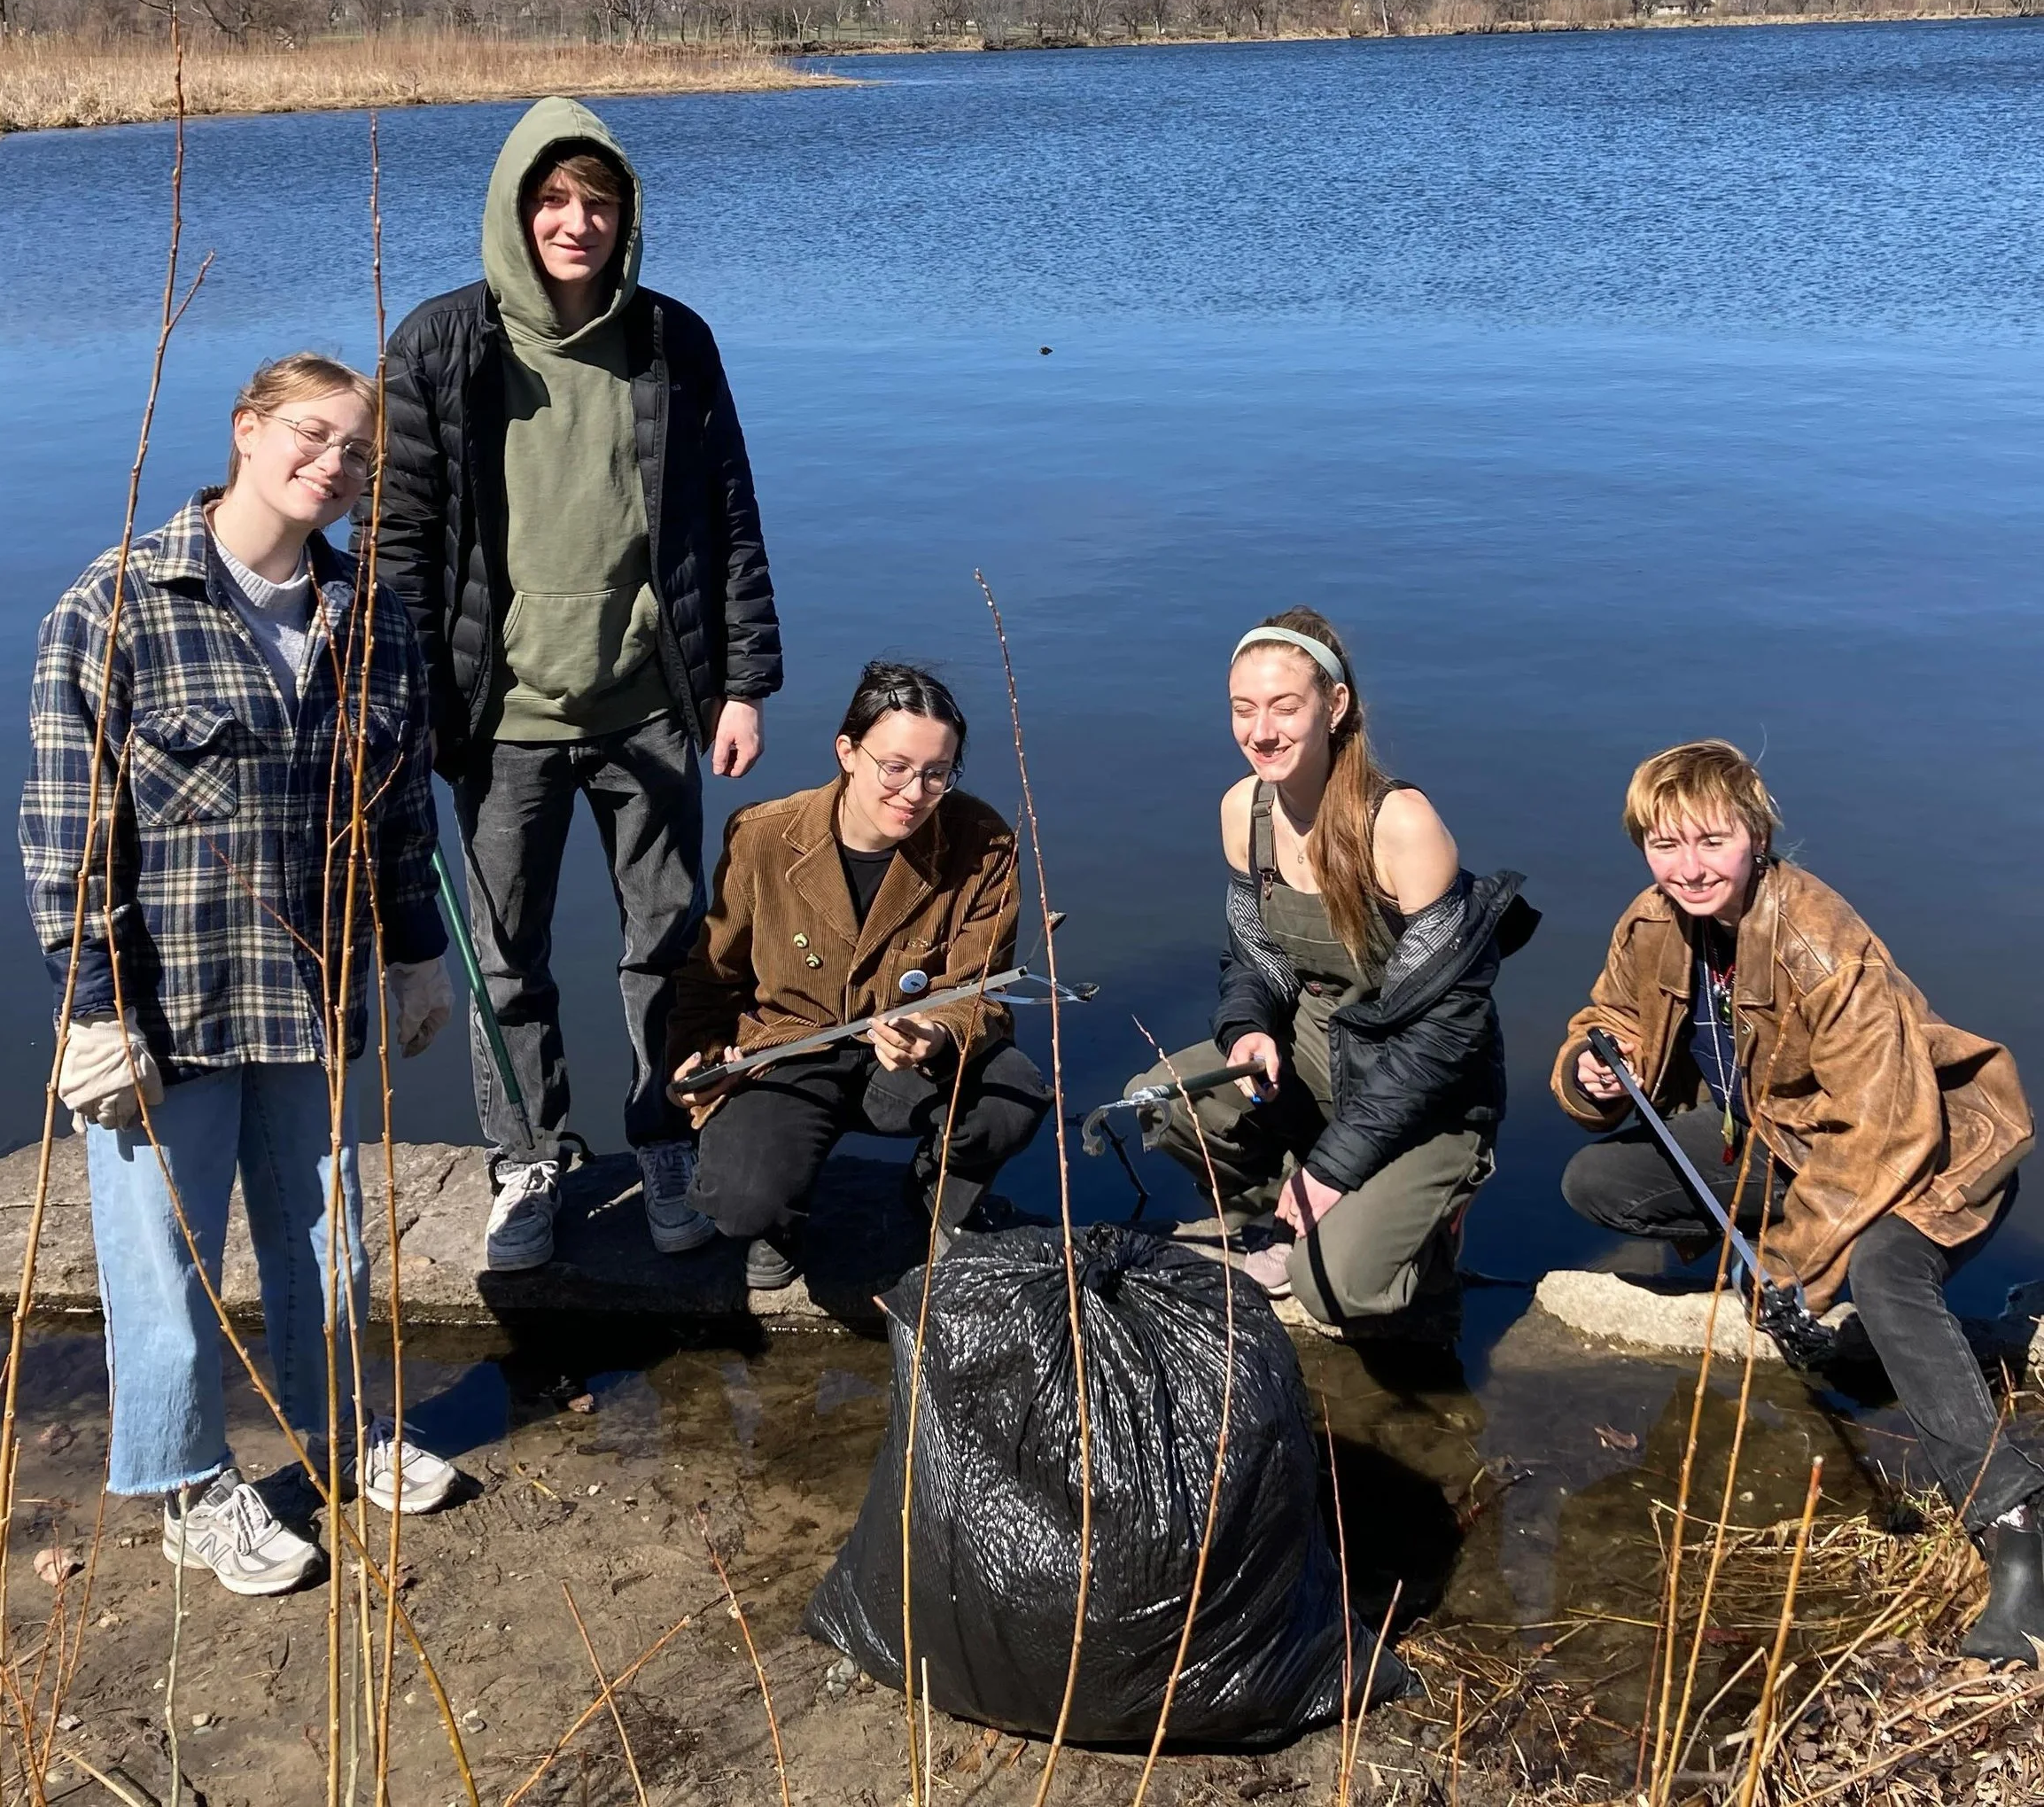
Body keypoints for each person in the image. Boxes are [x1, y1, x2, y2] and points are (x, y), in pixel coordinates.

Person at [19, 354, 462, 1598]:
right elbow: (70, 835)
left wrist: (418, 957)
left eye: (358, 454)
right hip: (171, 1004)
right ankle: (191, 1485)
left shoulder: (372, 612)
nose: (333, 466)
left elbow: (399, 812)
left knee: (332, 1235)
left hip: (313, 991)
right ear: (246, 432)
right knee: (164, 1258)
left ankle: (348, 1427)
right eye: (312, 437)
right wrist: (93, 1007)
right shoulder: (115, 609)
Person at [373, 97, 781, 1273]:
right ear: (516, 209)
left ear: (626, 217)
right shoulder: (440, 345)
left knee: (665, 949)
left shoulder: (672, 341)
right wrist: (399, 703)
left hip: (650, 709)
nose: (576, 221)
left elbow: (729, 520)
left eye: (598, 202)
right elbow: (400, 542)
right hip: (498, 720)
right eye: (553, 199)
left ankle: (664, 1143)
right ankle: (529, 1164)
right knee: (510, 960)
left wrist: (742, 683)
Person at [1555, 739, 2043, 1663]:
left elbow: (1880, 1129)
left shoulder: (1818, 937)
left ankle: (2016, 1526)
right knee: (1599, 1179)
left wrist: (1790, 1261)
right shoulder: (1655, 919)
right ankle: (1820, 1321)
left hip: (1929, 1145)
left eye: (1710, 840)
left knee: (1884, 1271)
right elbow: (1612, 1015)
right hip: (1783, 1134)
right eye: (1664, 844)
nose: (1688, 866)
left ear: (1756, 833)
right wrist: (1594, 1068)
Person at [1125, 610, 1531, 1329]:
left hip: (1428, 1089)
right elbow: (1252, 957)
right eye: (1243, 710)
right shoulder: (1241, 811)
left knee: (1332, 1289)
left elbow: (1441, 1040)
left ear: (1335, 706)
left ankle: (1426, 1240)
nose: (1262, 731)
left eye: (1285, 706)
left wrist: (1332, 1169)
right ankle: (1273, 1209)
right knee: (1158, 1097)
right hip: (1317, 1053)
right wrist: (1248, 1028)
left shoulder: (1401, 826)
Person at [667, 663, 1050, 1290]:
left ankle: (936, 1197)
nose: (914, 792)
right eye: (894, 768)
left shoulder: (982, 843)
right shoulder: (763, 836)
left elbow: (984, 986)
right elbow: (710, 977)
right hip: (786, 1051)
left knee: (1015, 1095)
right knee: (740, 1204)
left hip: (905, 1059)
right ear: (847, 751)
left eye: (936, 774)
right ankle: (777, 1221)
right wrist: (697, 1062)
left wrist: (939, 1032)